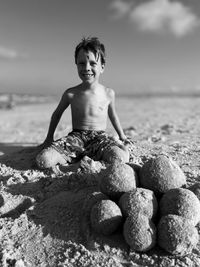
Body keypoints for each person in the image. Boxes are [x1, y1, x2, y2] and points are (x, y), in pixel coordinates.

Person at [36, 37, 130, 171]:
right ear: (76, 65)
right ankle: (73, 158)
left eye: (92, 63)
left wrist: (122, 136)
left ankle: (91, 158)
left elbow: (113, 116)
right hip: (76, 138)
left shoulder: (108, 93)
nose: (87, 68)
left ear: (102, 67)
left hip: (99, 138)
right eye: (81, 63)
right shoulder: (71, 93)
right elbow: (56, 115)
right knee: (43, 160)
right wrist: (49, 138)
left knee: (120, 157)